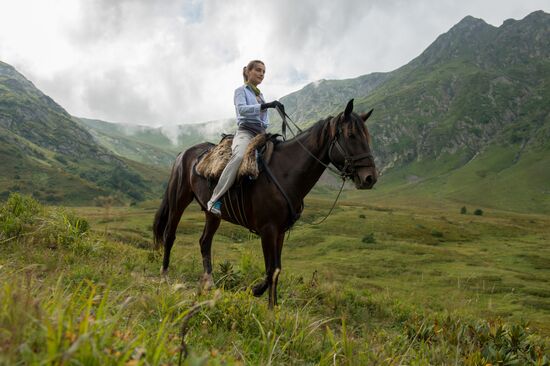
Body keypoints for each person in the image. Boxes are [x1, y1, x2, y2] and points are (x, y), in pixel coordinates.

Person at [207, 60, 284, 216]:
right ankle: (214, 199)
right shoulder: (240, 91)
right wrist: (264, 106)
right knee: (240, 156)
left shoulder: (260, 95)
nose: (262, 74)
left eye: (264, 72)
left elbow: (265, 120)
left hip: (261, 134)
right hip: (246, 132)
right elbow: (242, 110)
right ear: (248, 72)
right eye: (258, 70)